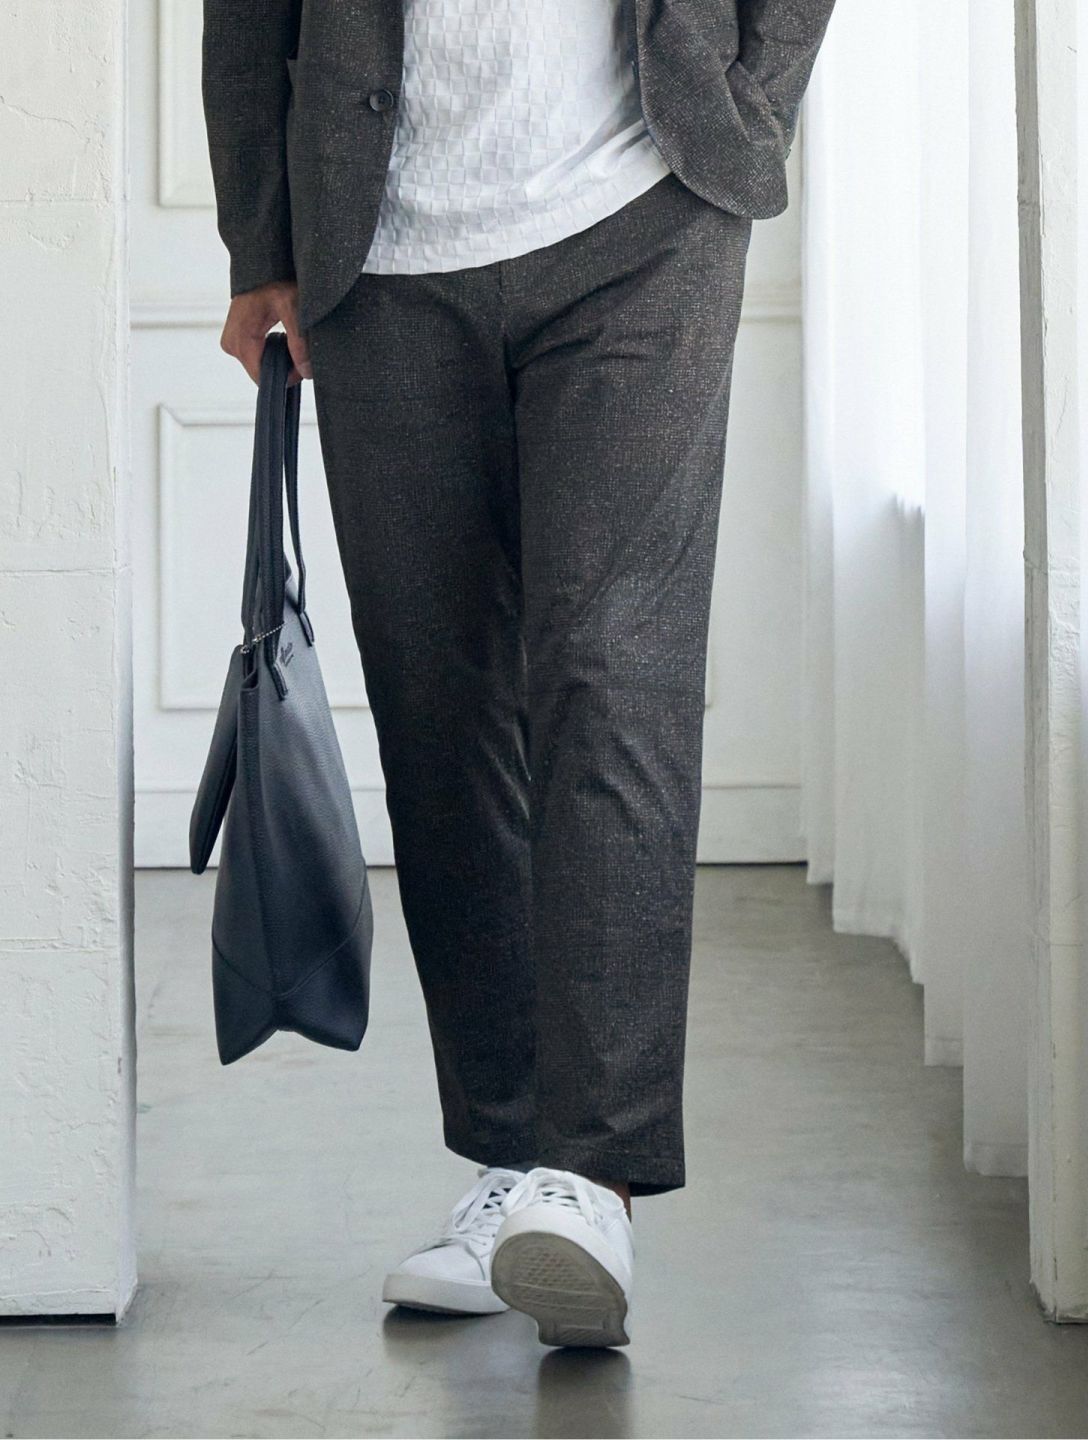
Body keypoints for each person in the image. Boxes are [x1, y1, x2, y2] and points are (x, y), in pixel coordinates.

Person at [201, 0, 835, 1350]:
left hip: (643, 206)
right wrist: (261, 242)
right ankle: (510, 1161)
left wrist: (750, 97)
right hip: (378, 245)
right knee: (439, 701)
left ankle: (592, 1176)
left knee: (612, 673)